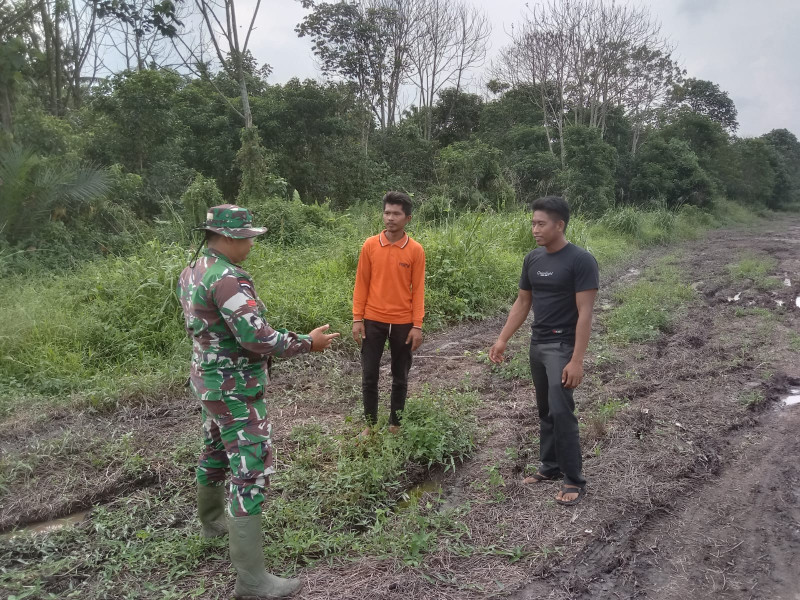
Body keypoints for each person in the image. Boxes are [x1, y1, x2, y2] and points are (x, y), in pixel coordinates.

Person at [177, 204, 338, 599]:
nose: (251, 243)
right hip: (235, 390)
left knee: (214, 449)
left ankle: (212, 523)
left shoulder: (193, 269)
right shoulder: (228, 280)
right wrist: (307, 343)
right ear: (229, 238)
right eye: (248, 237)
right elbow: (256, 338)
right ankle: (251, 581)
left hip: (208, 381)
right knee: (250, 469)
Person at [489, 196, 598, 506]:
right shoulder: (533, 259)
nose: (535, 229)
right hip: (537, 345)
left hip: (562, 347)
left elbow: (585, 312)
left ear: (559, 225)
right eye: (533, 223)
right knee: (546, 411)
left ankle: (574, 479)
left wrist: (576, 360)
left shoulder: (581, 261)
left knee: (562, 411)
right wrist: (502, 339)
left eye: (541, 223)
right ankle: (549, 467)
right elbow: (523, 302)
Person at [352, 191, 425, 437]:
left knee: (400, 376)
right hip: (373, 320)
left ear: (408, 218)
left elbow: (418, 290)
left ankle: (395, 424)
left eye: (396, 214)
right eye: (387, 212)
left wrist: (417, 325)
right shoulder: (370, 245)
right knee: (369, 375)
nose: (390, 218)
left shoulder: (415, 250)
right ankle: (370, 426)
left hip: (403, 323)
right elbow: (361, 283)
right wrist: (357, 318)